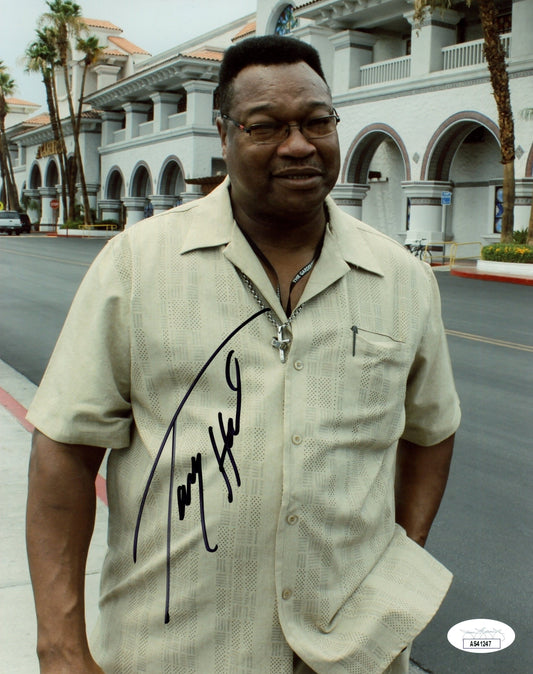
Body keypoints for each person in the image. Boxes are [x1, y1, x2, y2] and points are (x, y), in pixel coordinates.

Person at [26, 35, 460, 674]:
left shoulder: (403, 279)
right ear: (224, 135)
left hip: (349, 653)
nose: (299, 144)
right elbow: (64, 451)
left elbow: (431, 432)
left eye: (318, 121)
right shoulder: (137, 266)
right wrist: (60, 647)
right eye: (266, 126)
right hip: (174, 651)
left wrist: (397, 561)